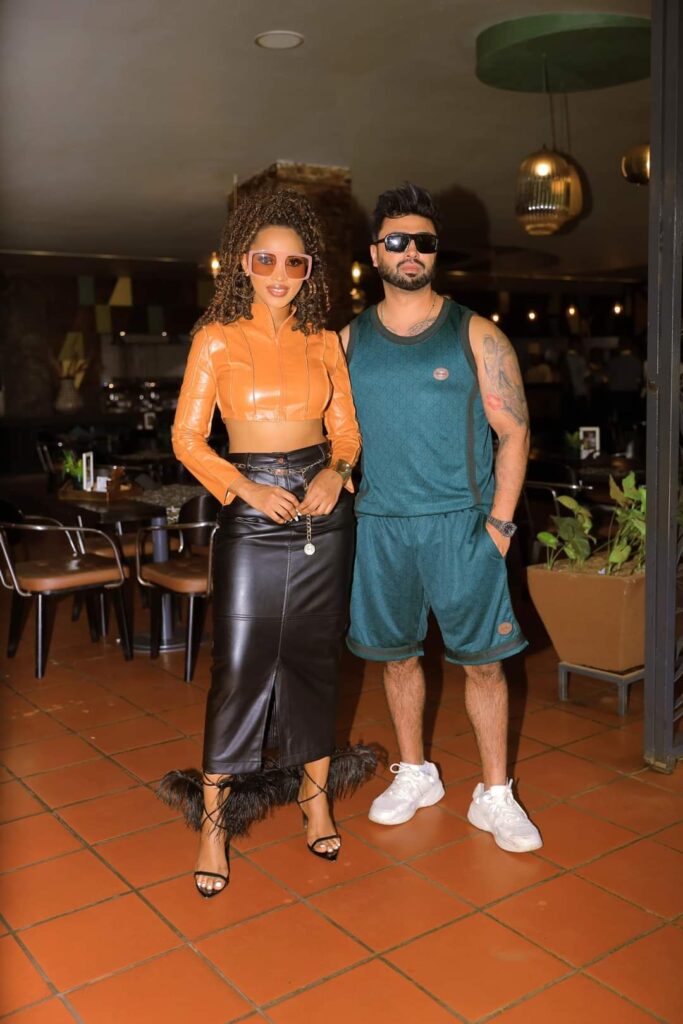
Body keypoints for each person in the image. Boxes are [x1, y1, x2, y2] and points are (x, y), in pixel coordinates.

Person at [165, 189, 362, 897]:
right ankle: (214, 825)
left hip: (322, 511)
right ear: (242, 264)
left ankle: (316, 800)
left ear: (310, 270)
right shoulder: (216, 339)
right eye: (266, 260)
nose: (280, 274)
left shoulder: (324, 342)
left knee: (315, 659)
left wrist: (337, 473)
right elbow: (187, 438)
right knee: (241, 665)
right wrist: (244, 488)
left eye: (295, 262)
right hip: (250, 510)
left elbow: (346, 432)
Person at [340, 183, 542, 853]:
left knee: (483, 665)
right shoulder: (347, 341)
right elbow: (333, 434)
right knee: (396, 658)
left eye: (423, 242)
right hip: (381, 526)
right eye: (396, 240)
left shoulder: (475, 333)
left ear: (435, 253)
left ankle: (494, 793)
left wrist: (500, 526)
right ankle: (415, 772)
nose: (411, 251)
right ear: (375, 252)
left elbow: (513, 432)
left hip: (462, 525)